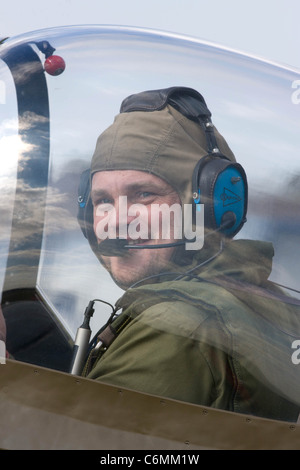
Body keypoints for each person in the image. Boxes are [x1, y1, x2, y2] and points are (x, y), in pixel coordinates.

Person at [78, 87, 300, 422]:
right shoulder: (260, 298)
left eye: (143, 194)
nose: (117, 220)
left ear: (206, 209)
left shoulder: (174, 328)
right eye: (103, 200)